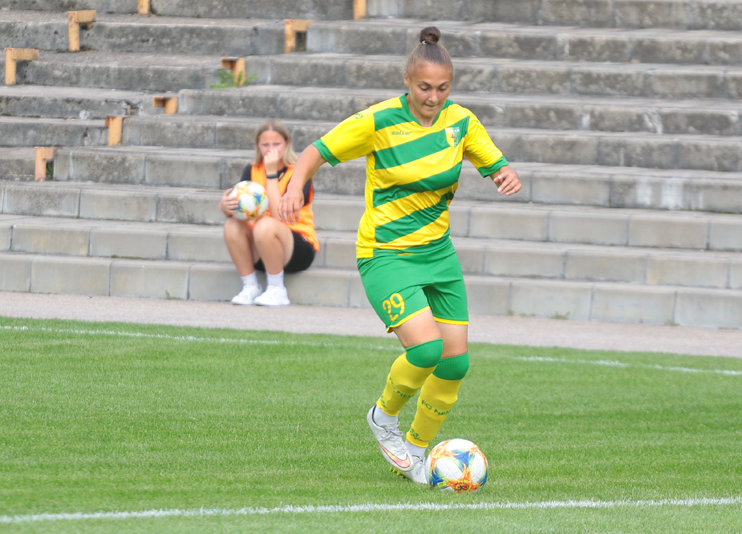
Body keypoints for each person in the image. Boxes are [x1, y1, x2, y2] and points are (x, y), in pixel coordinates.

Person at [278, 27, 521, 483]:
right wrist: (293, 188)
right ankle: (383, 417)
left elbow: (495, 163)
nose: (433, 97)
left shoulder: (461, 122)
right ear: (407, 80)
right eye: (424, 87)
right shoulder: (378, 121)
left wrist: (505, 174)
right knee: (426, 349)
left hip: (438, 255)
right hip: (386, 254)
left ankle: (415, 450)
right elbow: (315, 152)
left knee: (455, 362)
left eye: (443, 88)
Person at [220, 119, 319, 307]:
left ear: (287, 143)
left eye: (276, 144)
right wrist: (226, 207)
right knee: (232, 224)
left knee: (265, 225)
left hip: (297, 246)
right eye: (265, 145)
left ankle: (277, 289)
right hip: (261, 246)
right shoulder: (252, 169)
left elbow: (278, 217)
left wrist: (271, 174)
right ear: (258, 145)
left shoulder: (299, 172)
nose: (271, 150)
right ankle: (250, 286)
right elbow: (242, 212)